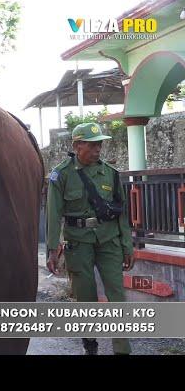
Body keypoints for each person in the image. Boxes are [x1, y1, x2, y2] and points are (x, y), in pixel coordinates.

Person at [46, 122, 135, 355]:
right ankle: (90, 344)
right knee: (85, 297)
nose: (98, 150)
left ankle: (122, 350)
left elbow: (121, 213)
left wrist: (128, 245)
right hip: (78, 243)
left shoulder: (111, 174)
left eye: (100, 145)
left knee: (117, 296)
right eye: (93, 145)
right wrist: (52, 249)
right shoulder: (61, 175)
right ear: (77, 145)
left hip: (109, 241)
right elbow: (54, 215)